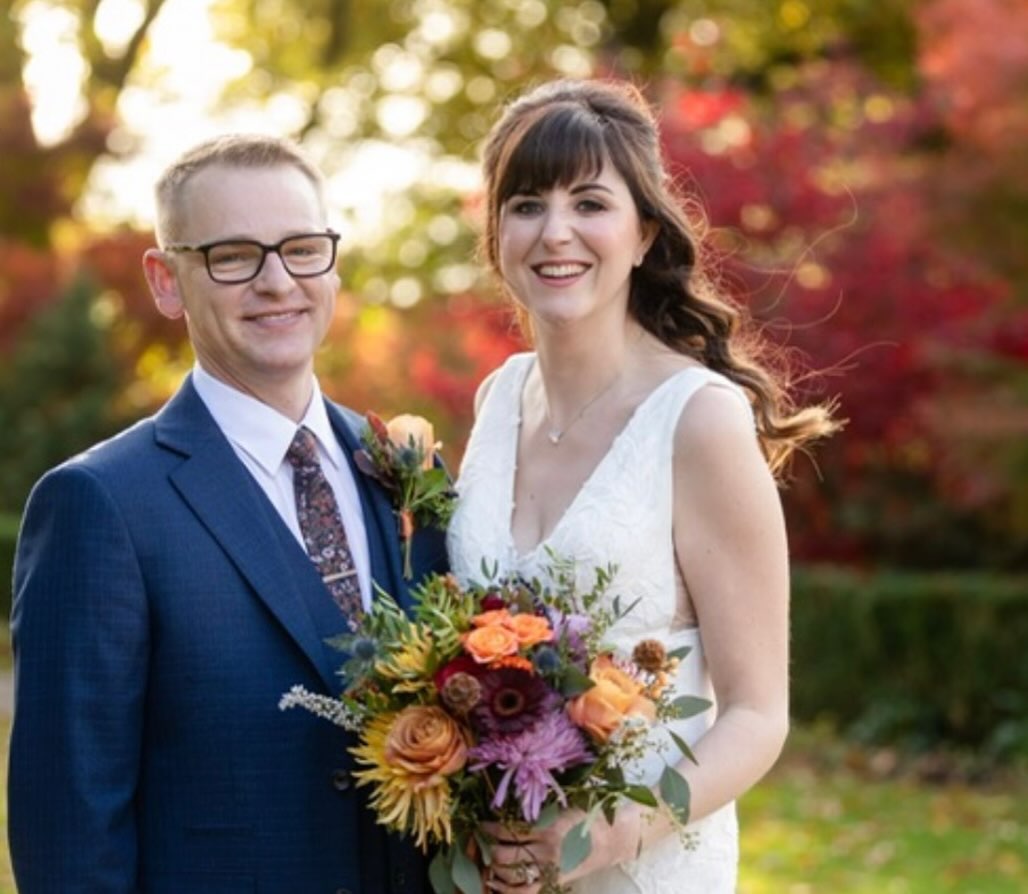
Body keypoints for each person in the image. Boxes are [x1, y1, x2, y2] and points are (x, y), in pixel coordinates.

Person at [8, 134, 446, 893]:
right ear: (166, 280)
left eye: (301, 249)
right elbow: (69, 833)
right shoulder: (98, 505)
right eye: (233, 256)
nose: (278, 282)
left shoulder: (408, 471)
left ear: (332, 263)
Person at [446, 79, 840, 893]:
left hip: (644, 869)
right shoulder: (497, 398)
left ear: (644, 233)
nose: (555, 232)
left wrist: (608, 836)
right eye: (526, 205)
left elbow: (758, 716)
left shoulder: (698, 419)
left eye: (590, 203)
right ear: (496, 235)